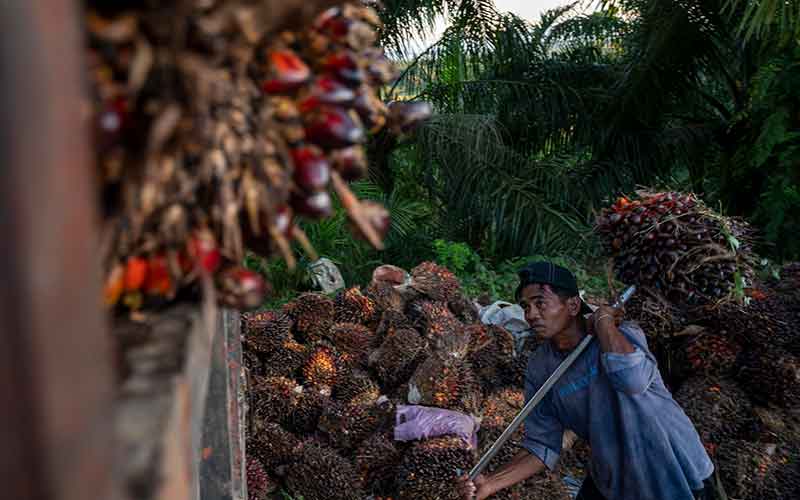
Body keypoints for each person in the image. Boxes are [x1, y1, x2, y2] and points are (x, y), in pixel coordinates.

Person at [458, 261, 727, 500]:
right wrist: (490, 484)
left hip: (674, 469)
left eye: (540, 302)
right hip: (616, 478)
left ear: (573, 305)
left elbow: (631, 381)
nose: (530, 314)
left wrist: (605, 323)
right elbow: (542, 445)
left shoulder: (623, 335)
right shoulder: (541, 367)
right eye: (525, 306)